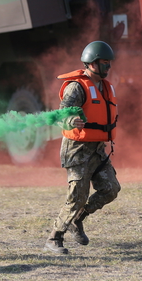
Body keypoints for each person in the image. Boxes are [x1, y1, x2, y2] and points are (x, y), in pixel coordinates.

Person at [45, 41, 121, 254]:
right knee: (77, 196)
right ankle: (54, 238)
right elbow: (61, 116)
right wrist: (70, 122)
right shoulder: (76, 87)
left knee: (111, 189)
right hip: (77, 149)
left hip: (97, 149)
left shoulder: (105, 87)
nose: (108, 67)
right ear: (92, 63)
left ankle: (78, 218)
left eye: (109, 63)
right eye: (104, 63)